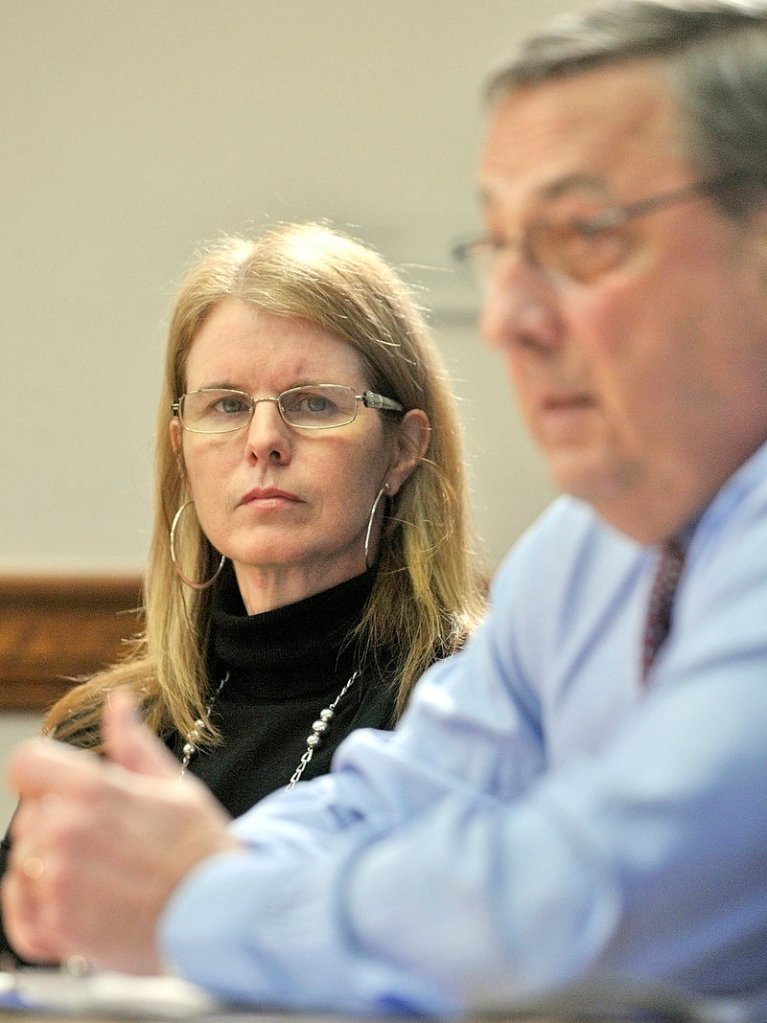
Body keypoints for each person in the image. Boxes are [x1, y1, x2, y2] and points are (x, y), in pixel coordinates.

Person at [4, 0, 767, 1013]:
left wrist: (201, 901)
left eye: (582, 237)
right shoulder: (589, 550)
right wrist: (172, 870)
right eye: (500, 252)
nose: (507, 321)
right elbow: (399, 795)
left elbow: (592, 899)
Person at [0, 222, 486, 958]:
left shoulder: (465, 707)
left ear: (402, 449)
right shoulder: (98, 735)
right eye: (226, 405)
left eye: (314, 403)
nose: (263, 440)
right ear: (181, 450)